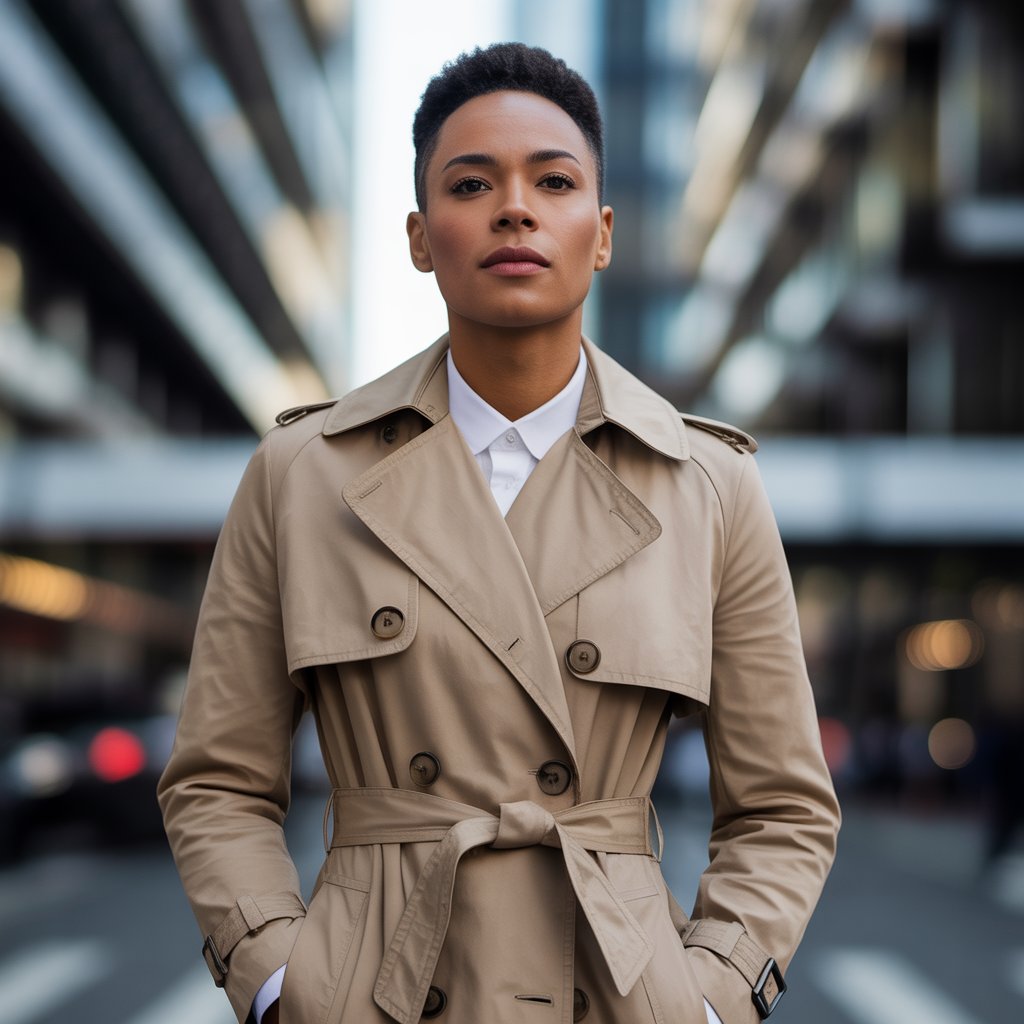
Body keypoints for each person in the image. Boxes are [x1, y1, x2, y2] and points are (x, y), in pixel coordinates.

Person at [159, 42, 840, 1024]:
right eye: (471, 183)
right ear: (419, 237)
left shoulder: (709, 486)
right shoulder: (302, 476)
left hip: (614, 994)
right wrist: (277, 983)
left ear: (601, 234)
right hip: (374, 993)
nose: (514, 207)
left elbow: (782, 804)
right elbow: (217, 780)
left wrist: (712, 997)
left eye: (553, 181)